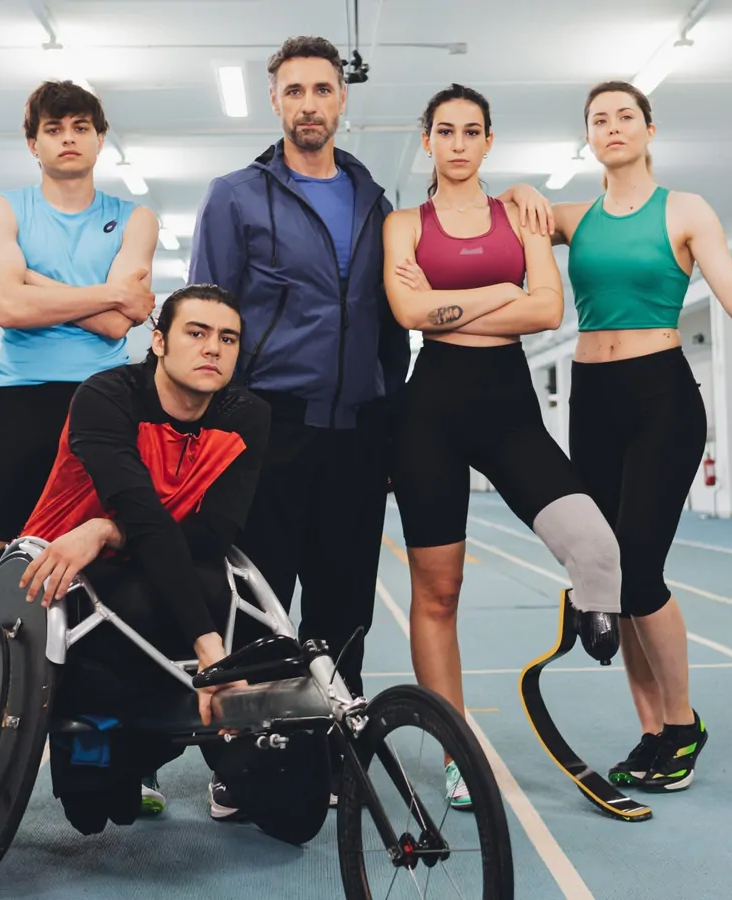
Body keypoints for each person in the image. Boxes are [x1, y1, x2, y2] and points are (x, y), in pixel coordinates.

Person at [187, 36, 554, 819]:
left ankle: (327, 757)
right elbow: (209, 317)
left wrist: (389, 425)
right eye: (294, 91)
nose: (309, 104)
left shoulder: (372, 201)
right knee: (259, 611)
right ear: (275, 100)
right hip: (269, 430)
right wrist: (217, 431)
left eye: (322, 89)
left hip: (357, 434)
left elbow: (393, 329)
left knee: (343, 610)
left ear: (342, 99)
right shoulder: (235, 196)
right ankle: (241, 770)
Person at [549, 80, 732, 792]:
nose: (612, 127)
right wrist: (513, 192)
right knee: (610, 574)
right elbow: (490, 221)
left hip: (659, 396)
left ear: (649, 128)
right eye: (598, 119)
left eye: (624, 116)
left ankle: (683, 723)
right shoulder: (573, 218)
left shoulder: (686, 210)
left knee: (639, 571)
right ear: (588, 137)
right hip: (591, 399)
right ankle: (652, 733)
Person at [382, 84, 623, 809]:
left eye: (471, 131)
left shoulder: (522, 214)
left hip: (510, 410)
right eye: (445, 131)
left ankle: (594, 607)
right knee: (438, 593)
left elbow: (547, 310)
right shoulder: (403, 224)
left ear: (489, 141)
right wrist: (501, 291)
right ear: (428, 140)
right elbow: (408, 311)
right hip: (429, 414)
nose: (458, 143)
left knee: (598, 548)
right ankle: (457, 750)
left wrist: (453, 303)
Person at [13, 284, 271, 834]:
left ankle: (199, 751)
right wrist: (210, 650)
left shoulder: (247, 414)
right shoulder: (106, 396)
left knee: (211, 590)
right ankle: (108, 746)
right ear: (159, 341)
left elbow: (214, 534)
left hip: (157, 556)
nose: (213, 348)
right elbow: (143, 513)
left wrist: (108, 530)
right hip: (70, 568)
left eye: (227, 339)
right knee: (92, 813)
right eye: (196, 333)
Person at [0, 79, 159, 586]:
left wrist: (32, 280)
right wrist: (109, 293)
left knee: (102, 555)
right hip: (23, 399)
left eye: (81, 127)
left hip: (104, 400)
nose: (69, 137)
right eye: (54, 129)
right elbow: (8, 308)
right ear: (33, 144)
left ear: (101, 138)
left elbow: (117, 324)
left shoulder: (135, 219)